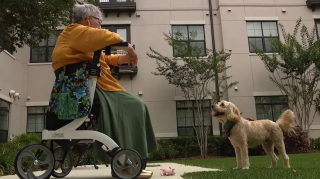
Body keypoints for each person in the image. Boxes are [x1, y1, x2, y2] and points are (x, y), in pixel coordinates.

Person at [49, 3, 158, 178]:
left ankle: (127, 161)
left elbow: (103, 57)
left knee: (136, 106)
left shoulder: (82, 40)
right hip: (90, 87)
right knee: (136, 105)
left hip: (95, 85)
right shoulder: (75, 30)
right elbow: (102, 36)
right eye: (99, 21)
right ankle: (125, 163)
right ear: (88, 19)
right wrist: (126, 45)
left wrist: (123, 58)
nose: (101, 24)